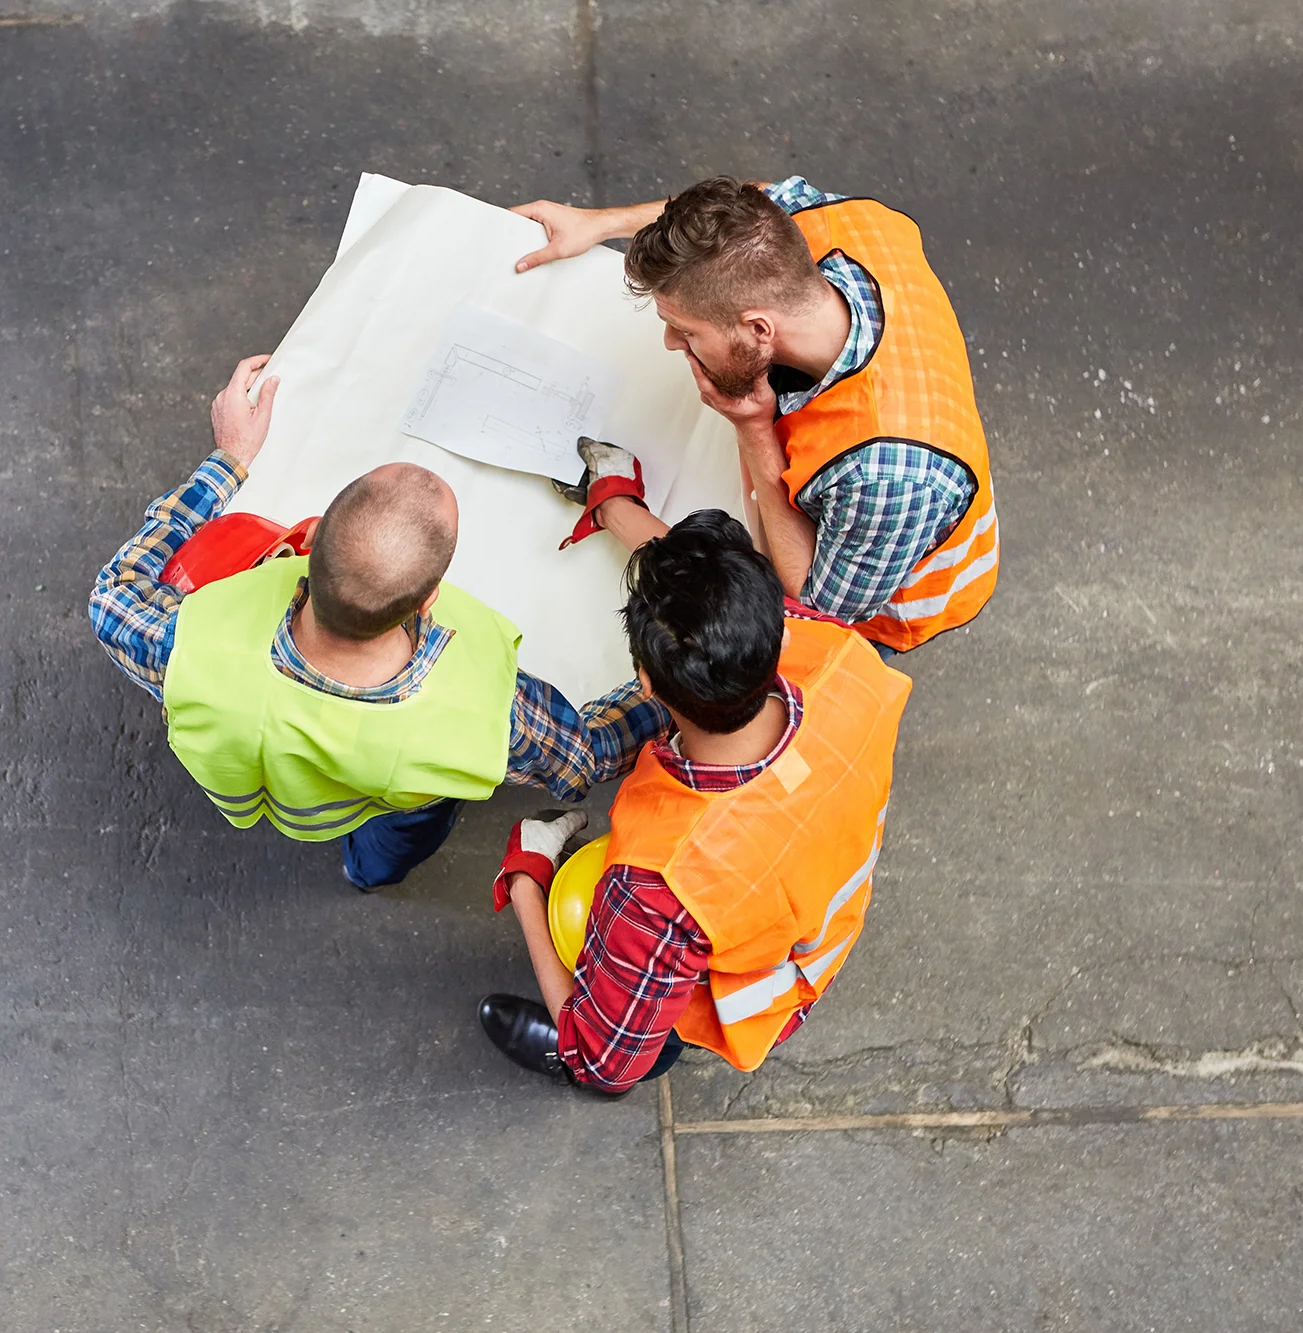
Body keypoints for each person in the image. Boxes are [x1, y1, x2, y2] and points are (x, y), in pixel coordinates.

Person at [88, 354, 670, 890]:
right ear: (429, 600)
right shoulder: (488, 714)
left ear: (308, 540)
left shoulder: (181, 643)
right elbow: (587, 754)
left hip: (259, 785)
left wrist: (230, 458)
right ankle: (365, 871)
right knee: (393, 842)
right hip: (393, 801)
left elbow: (114, 592)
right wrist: (679, 676)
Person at [478, 509, 910, 1093]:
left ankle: (601, 1046)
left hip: (740, 995)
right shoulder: (841, 655)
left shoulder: (661, 887)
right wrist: (620, 511)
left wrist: (528, 877)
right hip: (817, 915)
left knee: (618, 1052)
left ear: (646, 685)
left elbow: (605, 1060)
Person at [514, 176, 997, 653]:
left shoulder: (887, 475)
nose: (670, 344)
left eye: (685, 331)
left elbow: (812, 607)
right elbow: (747, 208)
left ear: (759, 329)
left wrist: (753, 427)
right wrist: (600, 224)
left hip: (886, 603)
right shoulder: (847, 224)